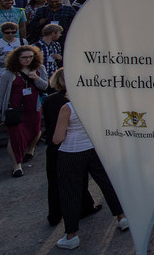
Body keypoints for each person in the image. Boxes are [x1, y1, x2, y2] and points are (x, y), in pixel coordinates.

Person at [53, 98, 128, 249]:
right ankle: (122, 217)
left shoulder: (67, 108)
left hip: (71, 152)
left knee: (70, 192)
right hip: (93, 147)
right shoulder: (95, 101)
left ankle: (71, 235)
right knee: (107, 183)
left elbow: (57, 139)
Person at [42, 68, 99, 227]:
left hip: (54, 146)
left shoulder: (49, 100)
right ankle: (84, 209)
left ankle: (54, 215)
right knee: (78, 181)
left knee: (54, 182)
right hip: (71, 145)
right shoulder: (78, 100)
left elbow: (48, 123)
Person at [0, 45, 49, 177]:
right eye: (24, 57)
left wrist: (36, 79)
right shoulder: (8, 74)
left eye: (30, 57)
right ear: (17, 58)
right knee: (15, 137)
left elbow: (45, 86)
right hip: (15, 110)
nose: (27, 60)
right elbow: (1, 94)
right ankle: (17, 166)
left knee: (35, 132)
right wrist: (2, 112)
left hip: (33, 107)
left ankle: (31, 149)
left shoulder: (39, 69)